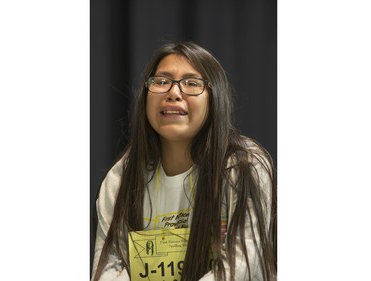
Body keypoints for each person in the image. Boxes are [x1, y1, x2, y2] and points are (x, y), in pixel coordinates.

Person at [91, 41, 277, 281]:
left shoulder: (244, 165)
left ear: (215, 98)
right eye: (161, 81)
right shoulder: (121, 177)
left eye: (191, 83)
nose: (174, 93)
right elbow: (108, 268)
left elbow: (243, 266)